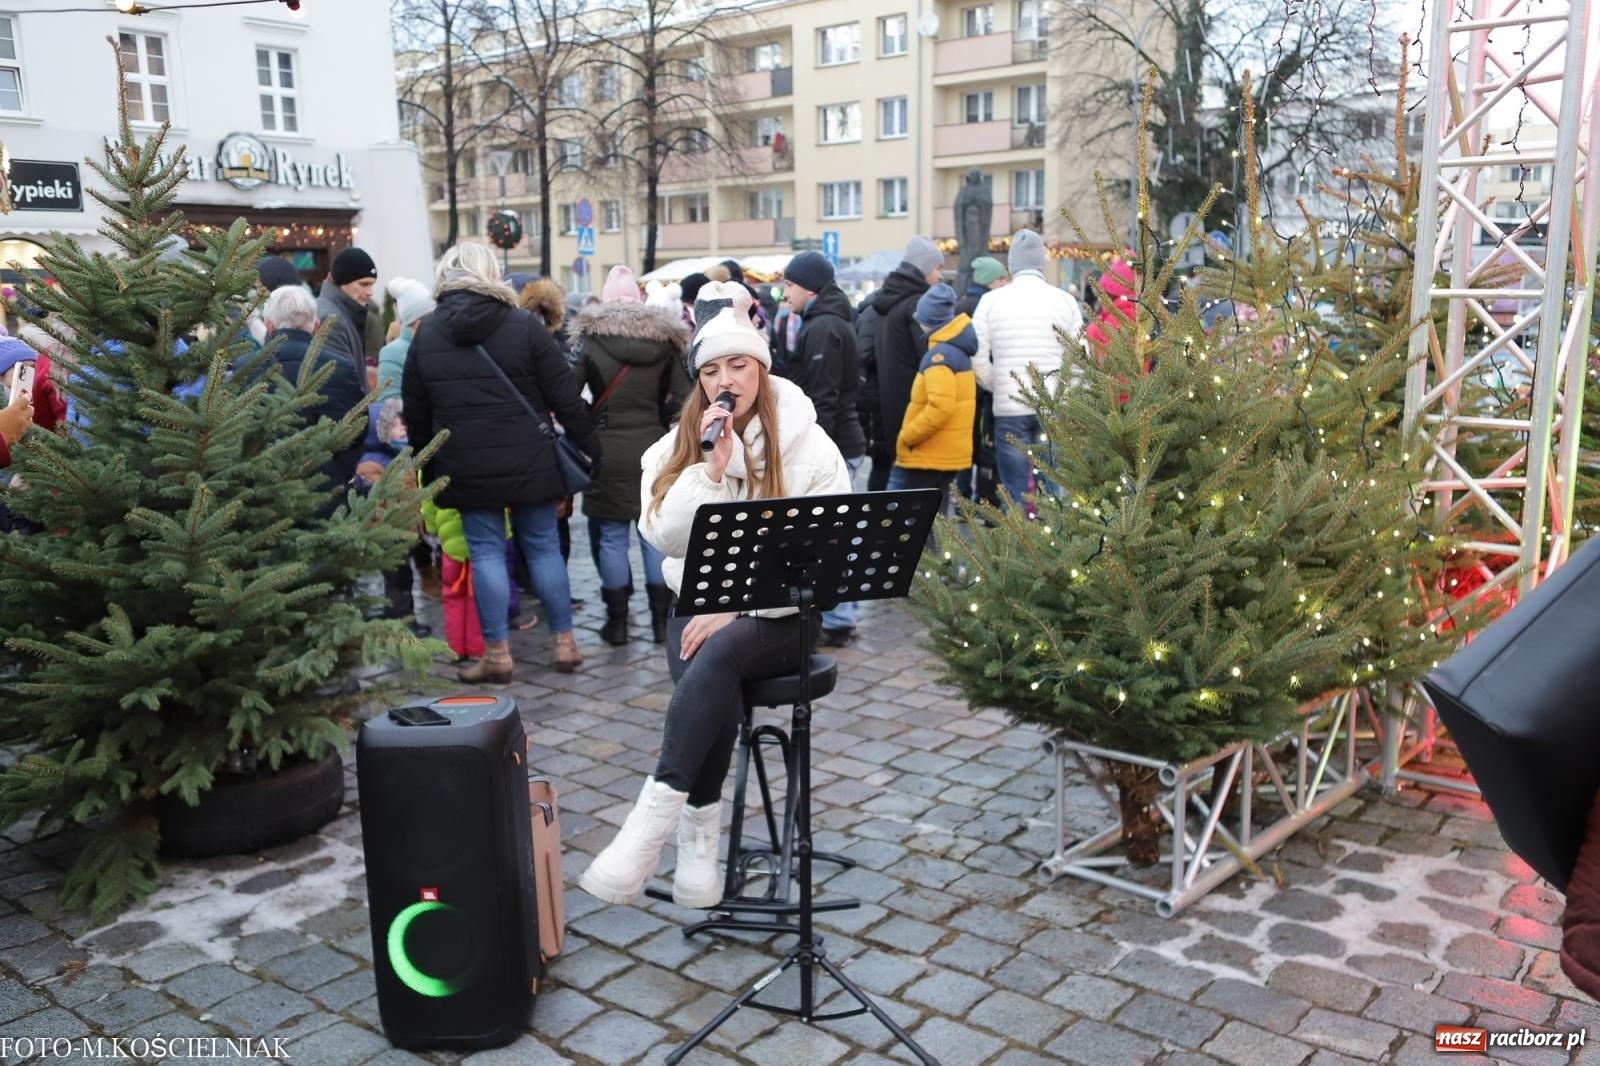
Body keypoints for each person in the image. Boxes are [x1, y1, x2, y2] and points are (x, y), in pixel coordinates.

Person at [579, 280, 851, 910]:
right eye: (712, 370)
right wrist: (707, 471)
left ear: (760, 367)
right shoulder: (679, 445)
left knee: (720, 649)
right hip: (699, 608)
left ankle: (652, 828)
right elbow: (667, 539)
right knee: (711, 657)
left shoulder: (810, 446)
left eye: (738, 365)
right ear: (699, 380)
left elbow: (825, 561)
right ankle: (698, 840)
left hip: (785, 615)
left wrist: (736, 604)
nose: (726, 379)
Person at [402, 242, 600, 680]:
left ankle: (496, 655)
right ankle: (565, 644)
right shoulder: (524, 327)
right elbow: (563, 396)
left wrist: (426, 466)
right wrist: (590, 447)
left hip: (465, 463)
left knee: (487, 554)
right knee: (545, 548)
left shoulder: (429, 334)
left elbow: (416, 411)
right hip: (531, 458)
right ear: (492, 273)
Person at [571, 264, 691, 646]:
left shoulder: (589, 340)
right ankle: (660, 622)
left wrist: (585, 431)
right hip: (654, 449)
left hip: (604, 449)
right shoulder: (665, 341)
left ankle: (617, 623)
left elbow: (567, 395)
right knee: (653, 535)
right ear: (639, 300)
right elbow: (686, 400)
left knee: (610, 537)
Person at [778, 249, 866, 646]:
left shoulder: (824, 327)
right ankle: (837, 616)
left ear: (809, 287)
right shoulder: (820, 321)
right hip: (839, 440)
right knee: (831, 532)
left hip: (835, 444)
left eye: (790, 284)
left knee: (833, 534)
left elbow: (823, 397)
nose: (785, 292)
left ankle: (840, 619)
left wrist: (815, 449)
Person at [972, 229, 1083, 509]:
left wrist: (996, 384)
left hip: (1010, 407)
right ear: (1041, 264)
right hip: (1053, 405)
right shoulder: (1065, 301)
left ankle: (1018, 547)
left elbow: (977, 354)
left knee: (1015, 490)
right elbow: (1081, 356)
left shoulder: (991, 301)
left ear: (1012, 264)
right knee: (1052, 490)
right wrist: (1066, 393)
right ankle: (1054, 547)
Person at [262, 284, 366, 495]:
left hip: (266, 496)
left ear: (269, 326)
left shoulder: (248, 368)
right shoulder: (341, 367)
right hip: (330, 490)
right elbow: (357, 429)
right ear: (317, 325)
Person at [888, 283, 976, 517]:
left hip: (930, 452)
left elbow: (941, 406)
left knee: (915, 520)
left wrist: (909, 435)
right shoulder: (956, 351)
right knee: (935, 518)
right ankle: (936, 554)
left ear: (929, 320)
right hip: (948, 452)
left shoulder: (939, 357)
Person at [871, 235, 943, 497]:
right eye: (938, 268)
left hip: (892, 405)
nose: (940, 276)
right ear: (924, 269)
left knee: (900, 477)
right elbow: (929, 358)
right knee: (912, 487)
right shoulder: (915, 305)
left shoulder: (889, 301)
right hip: (915, 407)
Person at [954, 256, 1007, 506]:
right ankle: (980, 496)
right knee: (981, 443)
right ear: (991, 281)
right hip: (980, 387)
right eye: (1002, 279)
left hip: (964, 384)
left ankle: (964, 492)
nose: (1006, 283)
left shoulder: (963, 302)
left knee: (966, 440)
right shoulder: (985, 306)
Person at [375, 277, 435, 403]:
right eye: (428, 317)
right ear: (415, 321)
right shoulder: (392, 353)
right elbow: (388, 403)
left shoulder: (440, 342)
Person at [316, 247, 379, 366]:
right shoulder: (331, 320)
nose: (370, 292)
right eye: (364, 284)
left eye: (371, 284)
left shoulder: (341, 313)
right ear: (342, 280)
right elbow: (338, 378)